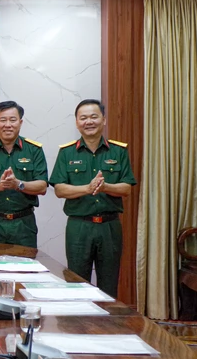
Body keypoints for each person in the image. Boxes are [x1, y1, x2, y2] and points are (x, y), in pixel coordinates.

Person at [49, 99, 136, 298]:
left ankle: (108, 318)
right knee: (77, 283)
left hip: (109, 227)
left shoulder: (118, 151)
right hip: (79, 226)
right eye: (83, 118)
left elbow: (126, 188)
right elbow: (59, 189)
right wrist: (87, 189)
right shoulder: (67, 152)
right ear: (77, 122)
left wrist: (106, 187)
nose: (89, 122)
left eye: (94, 117)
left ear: (103, 120)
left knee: (109, 283)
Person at [0, 101, 48, 248]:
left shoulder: (34, 150)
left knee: (25, 262)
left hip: (23, 224)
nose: (8, 125)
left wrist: (18, 184)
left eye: (12, 120)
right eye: (3, 120)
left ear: (20, 123)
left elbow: (42, 186)